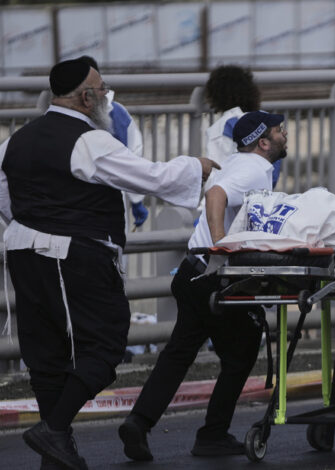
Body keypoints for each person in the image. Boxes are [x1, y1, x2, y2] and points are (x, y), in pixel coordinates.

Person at [0, 58, 217, 470]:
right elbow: (151, 178)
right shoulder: (89, 141)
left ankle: (56, 451)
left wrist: (38, 231)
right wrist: (195, 166)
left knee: (46, 354)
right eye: (101, 88)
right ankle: (53, 429)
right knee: (106, 344)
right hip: (76, 255)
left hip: (22, 253)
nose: (105, 95)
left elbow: (4, 206)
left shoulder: (13, 143)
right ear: (86, 97)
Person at [117, 110, 288, 461]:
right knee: (242, 351)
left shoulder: (238, 163)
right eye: (278, 130)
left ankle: (139, 421)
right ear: (263, 142)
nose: (284, 134)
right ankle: (212, 434)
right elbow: (216, 195)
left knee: (179, 352)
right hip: (214, 276)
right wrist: (221, 245)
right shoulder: (256, 168)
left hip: (192, 273)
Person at [79, 56, 149, 231]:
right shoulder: (117, 113)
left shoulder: (116, 113)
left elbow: (133, 158)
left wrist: (136, 199)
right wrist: (136, 200)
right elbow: (133, 157)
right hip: (107, 202)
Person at [204, 64, 282, 188]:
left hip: (231, 196)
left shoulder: (224, 126)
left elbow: (215, 176)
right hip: (263, 195)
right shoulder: (268, 121)